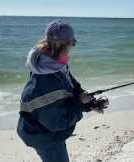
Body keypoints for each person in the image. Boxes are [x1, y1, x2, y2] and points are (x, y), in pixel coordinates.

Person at [17, 20, 109, 162]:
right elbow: (59, 123)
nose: (72, 48)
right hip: (42, 136)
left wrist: (90, 104)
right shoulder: (44, 83)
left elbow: (72, 87)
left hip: (50, 128)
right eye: (72, 44)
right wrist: (79, 104)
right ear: (62, 46)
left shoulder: (53, 63)